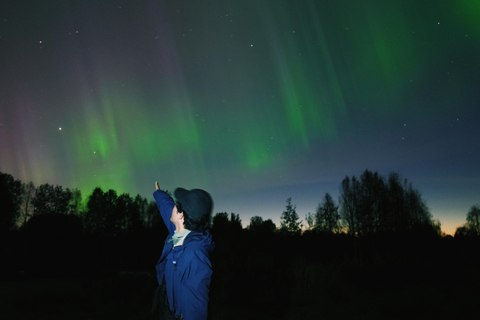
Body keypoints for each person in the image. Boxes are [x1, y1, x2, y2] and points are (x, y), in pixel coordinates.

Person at [152, 181, 215, 320]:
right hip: (164, 298)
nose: (173, 207)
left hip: (172, 315)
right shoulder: (182, 230)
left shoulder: (195, 256)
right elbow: (167, 208)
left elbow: (195, 308)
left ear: (181, 216)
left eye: (176, 205)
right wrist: (159, 193)